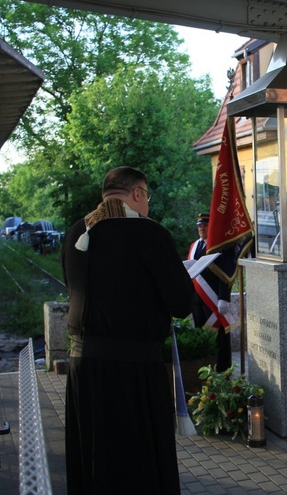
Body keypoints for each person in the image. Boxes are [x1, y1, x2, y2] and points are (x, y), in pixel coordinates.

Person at [62, 166, 195, 494]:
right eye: (146, 196)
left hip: (82, 368)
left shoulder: (76, 231)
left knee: (93, 458)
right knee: (137, 465)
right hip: (134, 373)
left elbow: (73, 287)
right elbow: (181, 303)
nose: (146, 203)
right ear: (137, 193)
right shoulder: (150, 234)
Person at [188, 212, 233, 371]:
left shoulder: (218, 245)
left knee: (219, 337)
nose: (202, 228)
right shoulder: (194, 246)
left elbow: (226, 273)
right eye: (200, 226)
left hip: (214, 300)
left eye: (205, 225)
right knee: (202, 335)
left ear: (211, 227)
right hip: (197, 299)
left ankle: (223, 371)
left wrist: (224, 297)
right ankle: (205, 371)